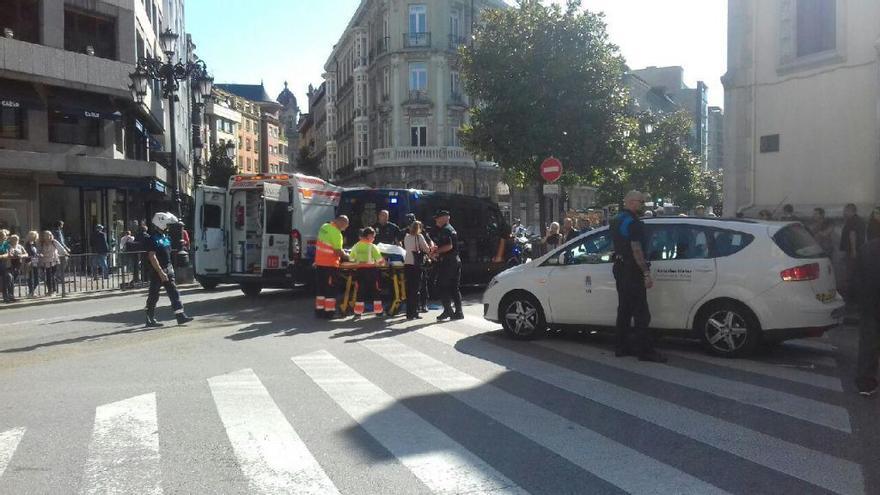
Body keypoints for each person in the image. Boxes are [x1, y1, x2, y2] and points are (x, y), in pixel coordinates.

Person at [610, 190, 666, 363]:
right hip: (632, 269)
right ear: (631, 202)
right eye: (641, 202)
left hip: (619, 267)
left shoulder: (615, 220)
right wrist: (646, 272)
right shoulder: (634, 223)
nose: (643, 205)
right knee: (642, 313)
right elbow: (636, 249)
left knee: (624, 310)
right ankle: (645, 351)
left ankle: (621, 347)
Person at [144, 212, 193, 327]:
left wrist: (170, 269)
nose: (168, 226)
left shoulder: (165, 238)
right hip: (158, 271)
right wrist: (160, 272)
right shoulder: (153, 239)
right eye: (166, 224)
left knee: (174, 293)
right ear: (160, 223)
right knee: (153, 295)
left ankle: (180, 316)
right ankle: (149, 318)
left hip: (168, 269)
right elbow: (152, 256)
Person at [855, 236, 880, 396]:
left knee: (868, 344)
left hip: (870, 303)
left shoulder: (867, 247)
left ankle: (865, 382)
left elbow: (857, 277)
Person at [315, 215, 350, 318]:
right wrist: (349, 256)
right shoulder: (336, 233)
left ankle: (319, 311)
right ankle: (329, 313)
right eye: (345, 225)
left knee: (321, 289)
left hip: (320, 263)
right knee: (330, 290)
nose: (346, 227)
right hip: (330, 265)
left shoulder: (324, 227)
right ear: (341, 222)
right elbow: (338, 251)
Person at [433, 210, 464, 321]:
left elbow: (449, 246)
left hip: (448, 262)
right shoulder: (450, 229)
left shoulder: (446, 229)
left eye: (438, 217)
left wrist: (437, 252)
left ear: (445, 218)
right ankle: (459, 312)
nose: (436, 220)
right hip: (455, 261)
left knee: (442, 285)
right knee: (454, 287)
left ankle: (448, 310)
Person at [349, 227, 386, 317]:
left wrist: (359, 261)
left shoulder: (356, 245)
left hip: (360, 272)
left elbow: (351, 258)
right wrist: (383, 262)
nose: (374, 239)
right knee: (375, 291)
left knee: (360, 291)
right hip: (371, 272)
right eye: (373, 237)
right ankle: (378, 311)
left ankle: (358, 312)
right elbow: (380, 260)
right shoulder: (372, 246)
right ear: (369, 236)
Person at [404, 221, 431, 320]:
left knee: (409, 289)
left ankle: (408, 312)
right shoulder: (419, 237)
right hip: (416, 264)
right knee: (416, 290)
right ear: (419, 228)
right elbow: (426, 249)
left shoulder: (406, 237)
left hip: (407, 264)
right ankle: (414, 312)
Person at [840, 203, 866, 303]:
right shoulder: (859, 220)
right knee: (854, 273)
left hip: (852, 252)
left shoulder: (852, 221)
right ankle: (854, 297)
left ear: (850, 210)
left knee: (850, 274)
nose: (844, 213)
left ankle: (850, 299)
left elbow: (852, 234)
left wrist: (853, 250)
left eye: (845, 211)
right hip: (857, 250)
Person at [38, 231, 68, 296]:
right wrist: (39, 254)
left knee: (51, 276)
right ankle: (49, 290)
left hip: (53, 261)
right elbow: (39, 250)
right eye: (45, 235)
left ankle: (53, 290)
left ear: (51, 235)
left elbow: (60, 248)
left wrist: (65, 253)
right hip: (44, 262)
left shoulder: (54, 242)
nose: (47, 237)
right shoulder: (42, 243)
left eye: (48, 235)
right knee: (46, 277)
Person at [23, 231, 40, 297]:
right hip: (29, 262)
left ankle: (31, 292)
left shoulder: (34, 243)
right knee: (30, 277)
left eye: (34, 236)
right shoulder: (27, 244)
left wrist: (38, 255)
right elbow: (29, 253)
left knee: (36, 279)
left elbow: (34, 253)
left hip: (35, 261)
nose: (33, 237)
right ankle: (31, 292)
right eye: (31, 236)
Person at [0, 230, 14, 303]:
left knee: (9, 277)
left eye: (4, 235)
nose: (2, 236)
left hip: (4, 264)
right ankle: (6, 296)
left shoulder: (6, 244)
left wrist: (2, 256)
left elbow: (9, 253)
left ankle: (9, 296)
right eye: (1, 235)